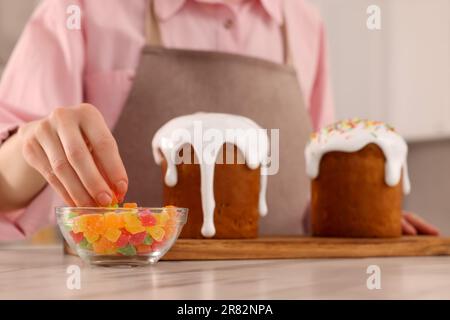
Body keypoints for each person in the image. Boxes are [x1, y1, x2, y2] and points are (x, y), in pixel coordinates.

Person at [0, 0, 438, 241]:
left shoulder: (304, 21)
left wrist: (352, 216)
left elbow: (308, 189)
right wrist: (29, 147)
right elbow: (4, 190)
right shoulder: (78, 10)